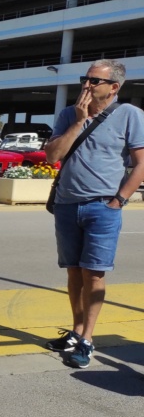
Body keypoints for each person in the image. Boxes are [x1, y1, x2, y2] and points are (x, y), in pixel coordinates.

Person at [42, 60, 144, 368]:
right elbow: (53, 155)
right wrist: (79, 120)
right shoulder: (67, 114)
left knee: (94, 273)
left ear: (114, 87)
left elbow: (141, 163)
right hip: (67, 205)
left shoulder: (131, 115)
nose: (87, 85)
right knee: (74, 271)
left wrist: (119, 200)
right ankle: (75, 331)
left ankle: (87, 338)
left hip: (103, 207)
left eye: (94, 81)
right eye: (84, 79)